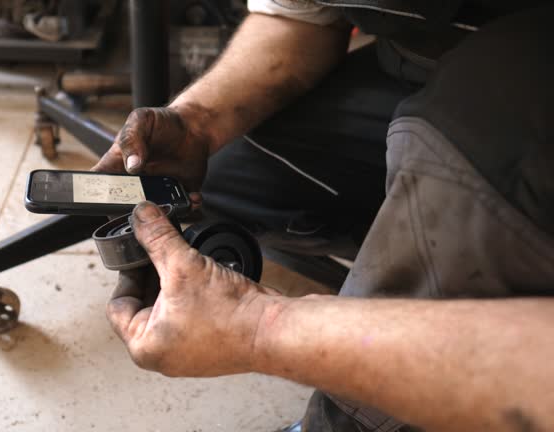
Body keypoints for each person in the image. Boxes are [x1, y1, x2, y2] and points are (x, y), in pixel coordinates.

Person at [92, 1, 554, 431]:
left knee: (458, 187)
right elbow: (298, 17)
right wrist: (197, 120)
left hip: (520, 84)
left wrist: (261, 327)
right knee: (214, 177)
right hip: (423, 71)